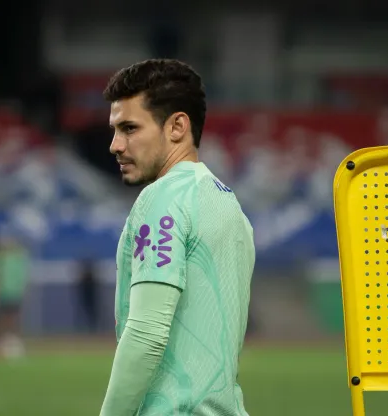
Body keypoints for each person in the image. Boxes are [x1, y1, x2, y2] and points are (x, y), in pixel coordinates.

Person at [100, 59, 256, 415]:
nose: (115, 145)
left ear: (177, 127)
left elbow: (146, 334)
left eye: (129, 128)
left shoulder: (164, 199)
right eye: (114, 130)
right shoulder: (228, 204)